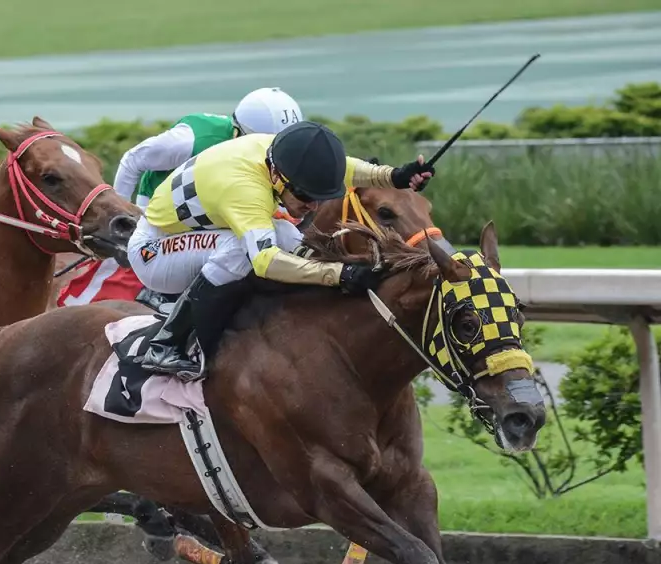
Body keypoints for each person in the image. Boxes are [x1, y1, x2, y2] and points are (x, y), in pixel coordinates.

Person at [126, 120, 434, 381]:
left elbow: (347, 168)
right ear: (277, 176)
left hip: (194, 234)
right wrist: (341, 273)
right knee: (240, 249)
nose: (312, 206)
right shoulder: (244, 188)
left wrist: (395, 176)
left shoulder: (280, 153)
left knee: (289, 234)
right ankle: (167, 344)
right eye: (304, 195)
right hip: (154, 252)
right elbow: (265, 262)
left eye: (317, 198)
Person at [57, 88, 305, 308]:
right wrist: (120, 218)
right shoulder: (190, 140)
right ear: (241, 133)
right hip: (157, 218)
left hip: (206, 217)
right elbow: (133, 159)